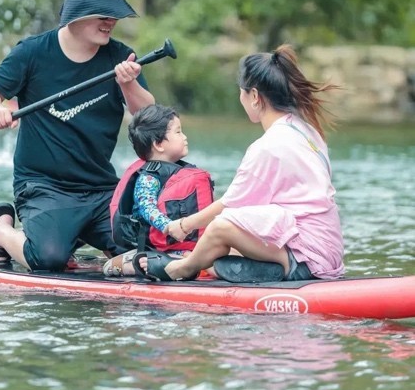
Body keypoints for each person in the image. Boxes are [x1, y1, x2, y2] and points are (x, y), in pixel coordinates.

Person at [0, 0, 155, 272]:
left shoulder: (121, 57)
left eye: (114, 14)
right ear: (76, 14)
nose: (110, 21)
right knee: (48, 259)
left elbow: (147, 115)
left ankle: (74, 233)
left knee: (144, 250)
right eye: (102, 13)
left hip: (101, 189)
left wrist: (128, 84)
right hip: (44, 187)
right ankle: (0, 232)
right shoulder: (32, 53)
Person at [136, 44, 345, 283]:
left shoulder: (269, 146)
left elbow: (229, 206)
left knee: (220, 228)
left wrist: (182, 225)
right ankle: (228, 266)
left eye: (242, 92)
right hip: (329, 252)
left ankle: (181, 269)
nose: (241, 98)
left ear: (254, 96)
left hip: (307, 257)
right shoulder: (307, 131)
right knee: (224, 247)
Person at [104, 104, 214, 276]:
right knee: (111, 267)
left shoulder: (181, 171)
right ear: (158, 144)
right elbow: (147, 208)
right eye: (178, 132)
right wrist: (168, 226)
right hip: (152, 249)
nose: (185, 137)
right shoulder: (149, 178)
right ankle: (121, 263)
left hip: (185, 246)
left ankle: (191, 259)